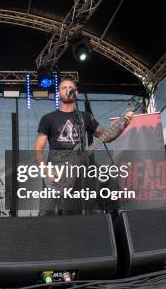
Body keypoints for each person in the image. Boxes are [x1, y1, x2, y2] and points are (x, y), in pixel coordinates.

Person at [33, 77, 133, 215]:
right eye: (64, 87)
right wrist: (45, 170)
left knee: (74, 216)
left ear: (76, 92)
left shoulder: (84, 117)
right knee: (46, 214)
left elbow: (107, 137)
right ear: (57, 94)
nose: (68, 89)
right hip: (54, 173)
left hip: (76, 174)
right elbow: (38, 149)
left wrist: (123, 124)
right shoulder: (48, 118)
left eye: (71, 87)